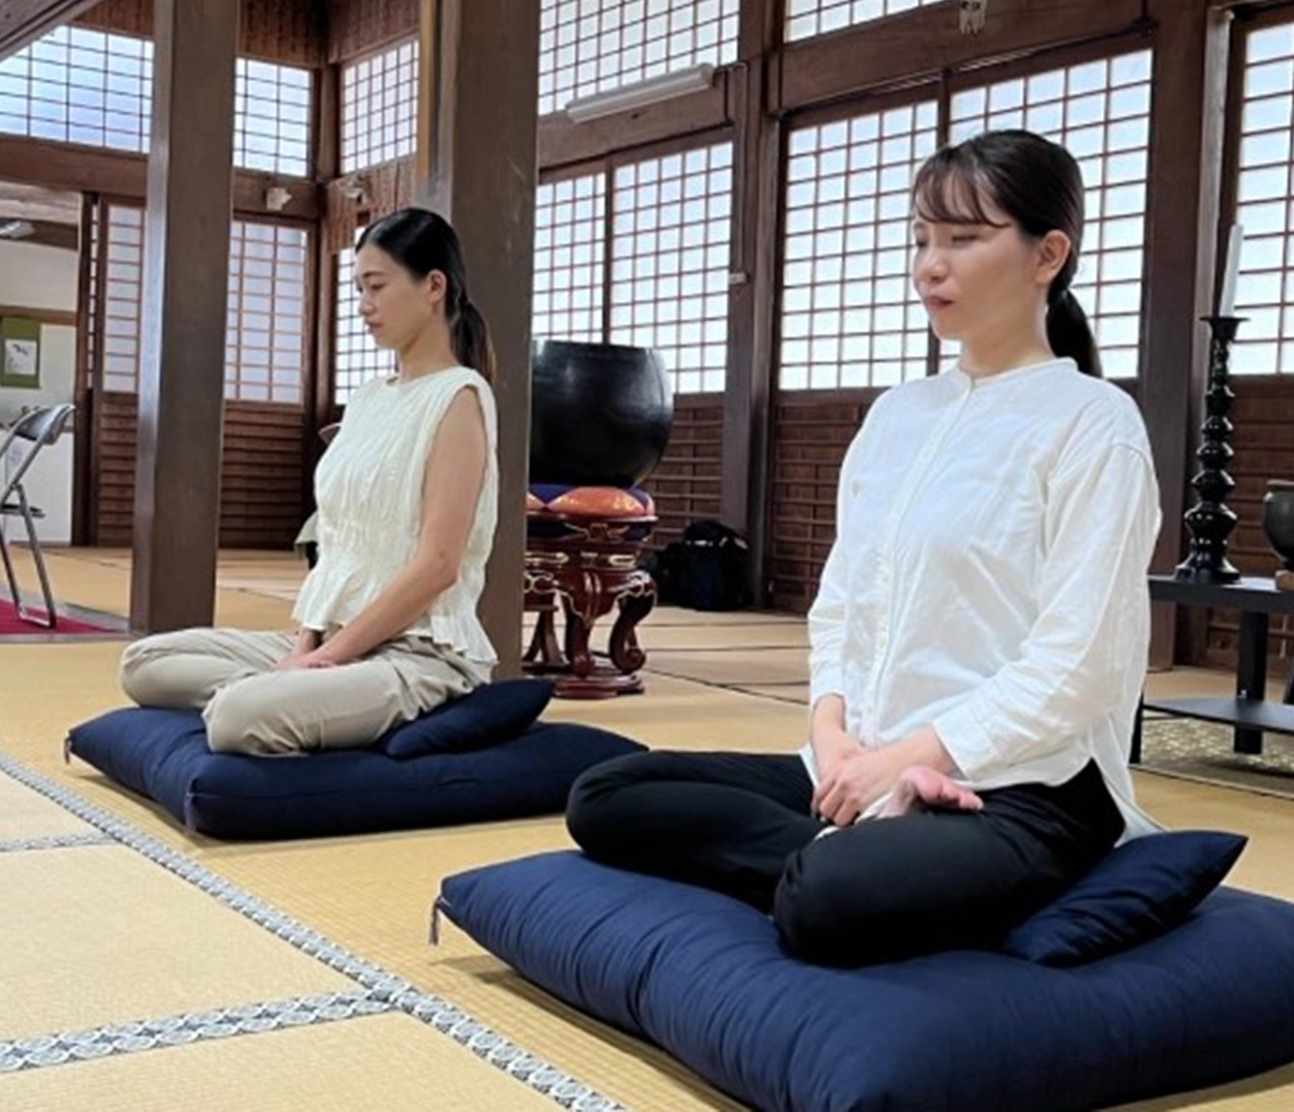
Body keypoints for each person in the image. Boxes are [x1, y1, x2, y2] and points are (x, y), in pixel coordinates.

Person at [565, 130, 1162, 966]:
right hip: (864, 759)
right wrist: (838, 739)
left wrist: (920, 758)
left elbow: (1080, 664)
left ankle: (867, 851)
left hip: (1024, 787)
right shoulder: (896, 415)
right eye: (922, 239)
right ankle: (865, 840)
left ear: (1047, 254)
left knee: (828, 898)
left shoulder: (1095, 425)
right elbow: (841, 607)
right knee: (606, 793)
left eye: (963, 238)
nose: (930, 265)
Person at [119, 208, 500, 756]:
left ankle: (286, 697)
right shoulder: (369, 398)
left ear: (433, 286)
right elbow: (338, 547)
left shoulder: (459, 398)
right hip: (335, 641)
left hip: (416, 654)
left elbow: (438, 566)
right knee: (144, 663)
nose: (364, 306)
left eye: (377, 286)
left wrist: (325, 661)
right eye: (358, 289)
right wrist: (305, 648)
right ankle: (297, 695)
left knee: (235, 718)